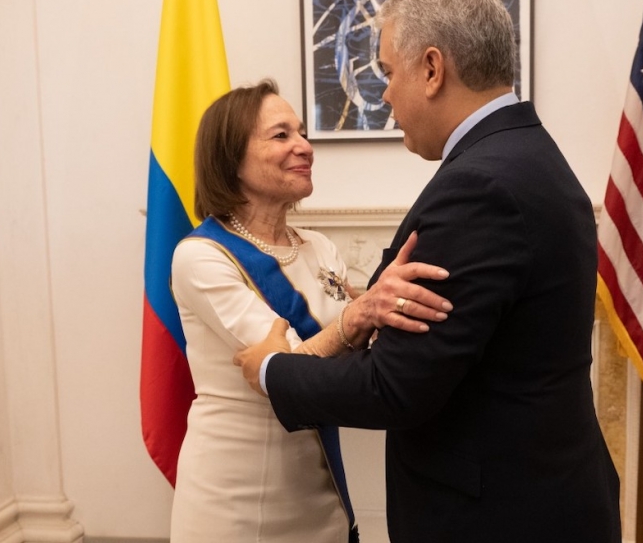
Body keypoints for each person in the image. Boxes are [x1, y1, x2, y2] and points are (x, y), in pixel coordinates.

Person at [234, 0, 622, 542]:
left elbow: (396, 388)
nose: (385, 93)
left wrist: (272, 370)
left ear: (433, 69)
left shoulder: (482, 187)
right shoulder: (525, 153)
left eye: (389, 72)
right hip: (542, 494)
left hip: (497, 517)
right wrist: (363, 312)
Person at [168, 79, 452, 543]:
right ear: (231, 158)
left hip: (320, 492)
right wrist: (361, 315)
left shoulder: (317, 247)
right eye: (281, 136)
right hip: (237, 498)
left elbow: (350, 355)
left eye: (302, 133)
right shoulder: (201, 256)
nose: (304, 146)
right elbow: (282, 368)